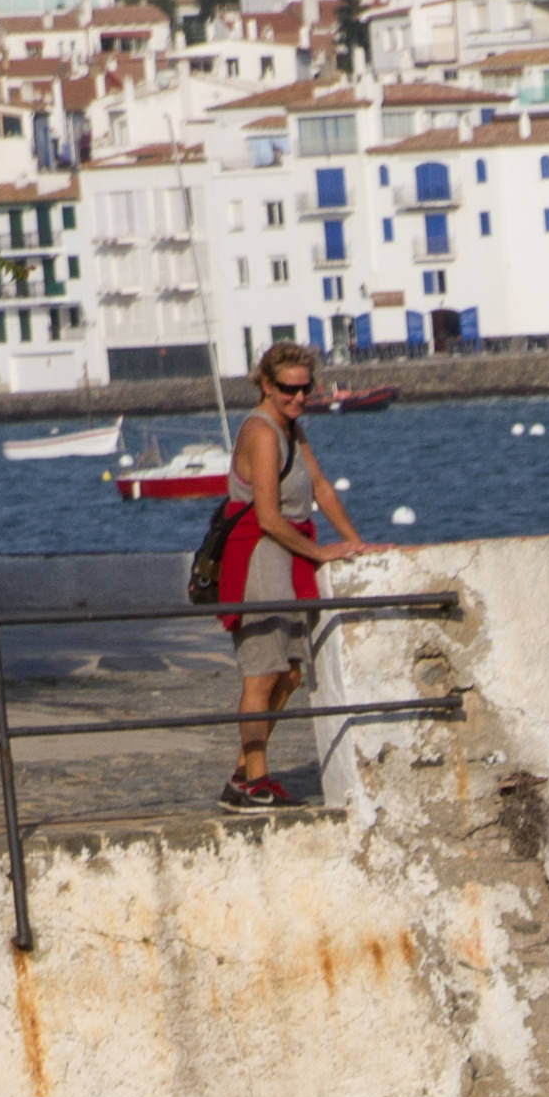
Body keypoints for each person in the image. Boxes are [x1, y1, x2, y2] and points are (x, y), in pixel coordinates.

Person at [214, 343, 370, 811]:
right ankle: (254, 782)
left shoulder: (291, 428)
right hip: (260, 560)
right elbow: (266, 516)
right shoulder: (262, 433)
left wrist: (356, 544)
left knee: (290, 672)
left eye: (306, 388)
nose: (299, 397)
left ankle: (243, 773)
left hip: (288, 558)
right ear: (266, 385)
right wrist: (320, 552)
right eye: (288, 389)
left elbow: (320, 486)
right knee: (262, 673)